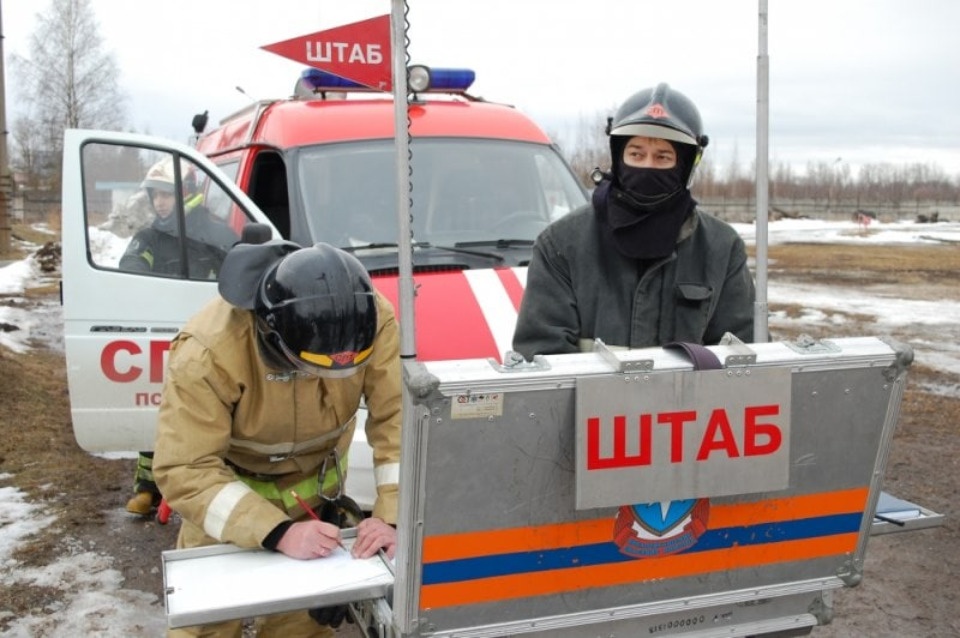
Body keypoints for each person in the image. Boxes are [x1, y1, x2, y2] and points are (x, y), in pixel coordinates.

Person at [153, 240, 401, 637]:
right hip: (225, 509)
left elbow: (398, 420)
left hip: (315, 511)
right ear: (272, 337)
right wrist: (277, 531)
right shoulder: (208, 350)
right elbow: (186, 467)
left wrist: (392, 516)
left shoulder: (368, 321)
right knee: (207, 626)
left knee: (299, 629)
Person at [512, 83, 755, 358]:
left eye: (663, 157)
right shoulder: (561, 244)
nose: (647, 165)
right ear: (618, 157)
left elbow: (743, 358)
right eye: (636, 154)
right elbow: (542, 357)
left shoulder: (722, 248)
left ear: (686, 165)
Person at [122, 157, 240, 516]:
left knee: (212, 412)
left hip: (211, 340)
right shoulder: (150, 237)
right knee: (159, 408)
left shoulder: (216, 235)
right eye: (155, 195)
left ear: (186, 192)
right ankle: (149, 487)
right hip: (165, 336)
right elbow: (129, 268)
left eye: (166, 195)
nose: (159, 203)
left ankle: (212, 485)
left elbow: (239, 276)